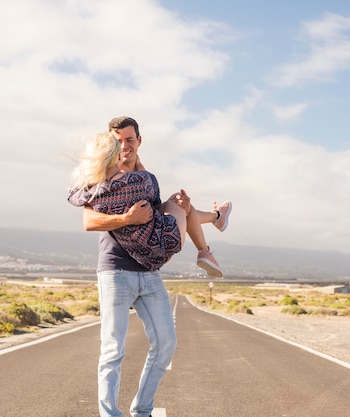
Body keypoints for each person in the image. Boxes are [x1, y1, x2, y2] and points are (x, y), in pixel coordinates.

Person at [74, 116, 231, 417]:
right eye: (117, 141)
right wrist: (126, 219)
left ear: (139, 141)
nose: (124, 146)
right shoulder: (101, 175)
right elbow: (89, 221)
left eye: (129, 140)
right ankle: (110, 414)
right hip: (116, 272)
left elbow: (155, 215)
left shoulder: (145, 177)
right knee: (113, 351)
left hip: (149, 273)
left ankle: (142, 410)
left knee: (166, 344)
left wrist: (176, 205)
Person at [68, 131, 217, 274]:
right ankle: (205, 247)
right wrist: (142, 172)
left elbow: (73, 195)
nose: (125, 146)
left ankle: (216, 216)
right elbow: (150, 199)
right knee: (179, 202)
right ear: (116, 154)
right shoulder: (140, 180)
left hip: (145, 257)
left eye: (129, 140)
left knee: (174, 207)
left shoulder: (91, 192)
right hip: (168, 241)